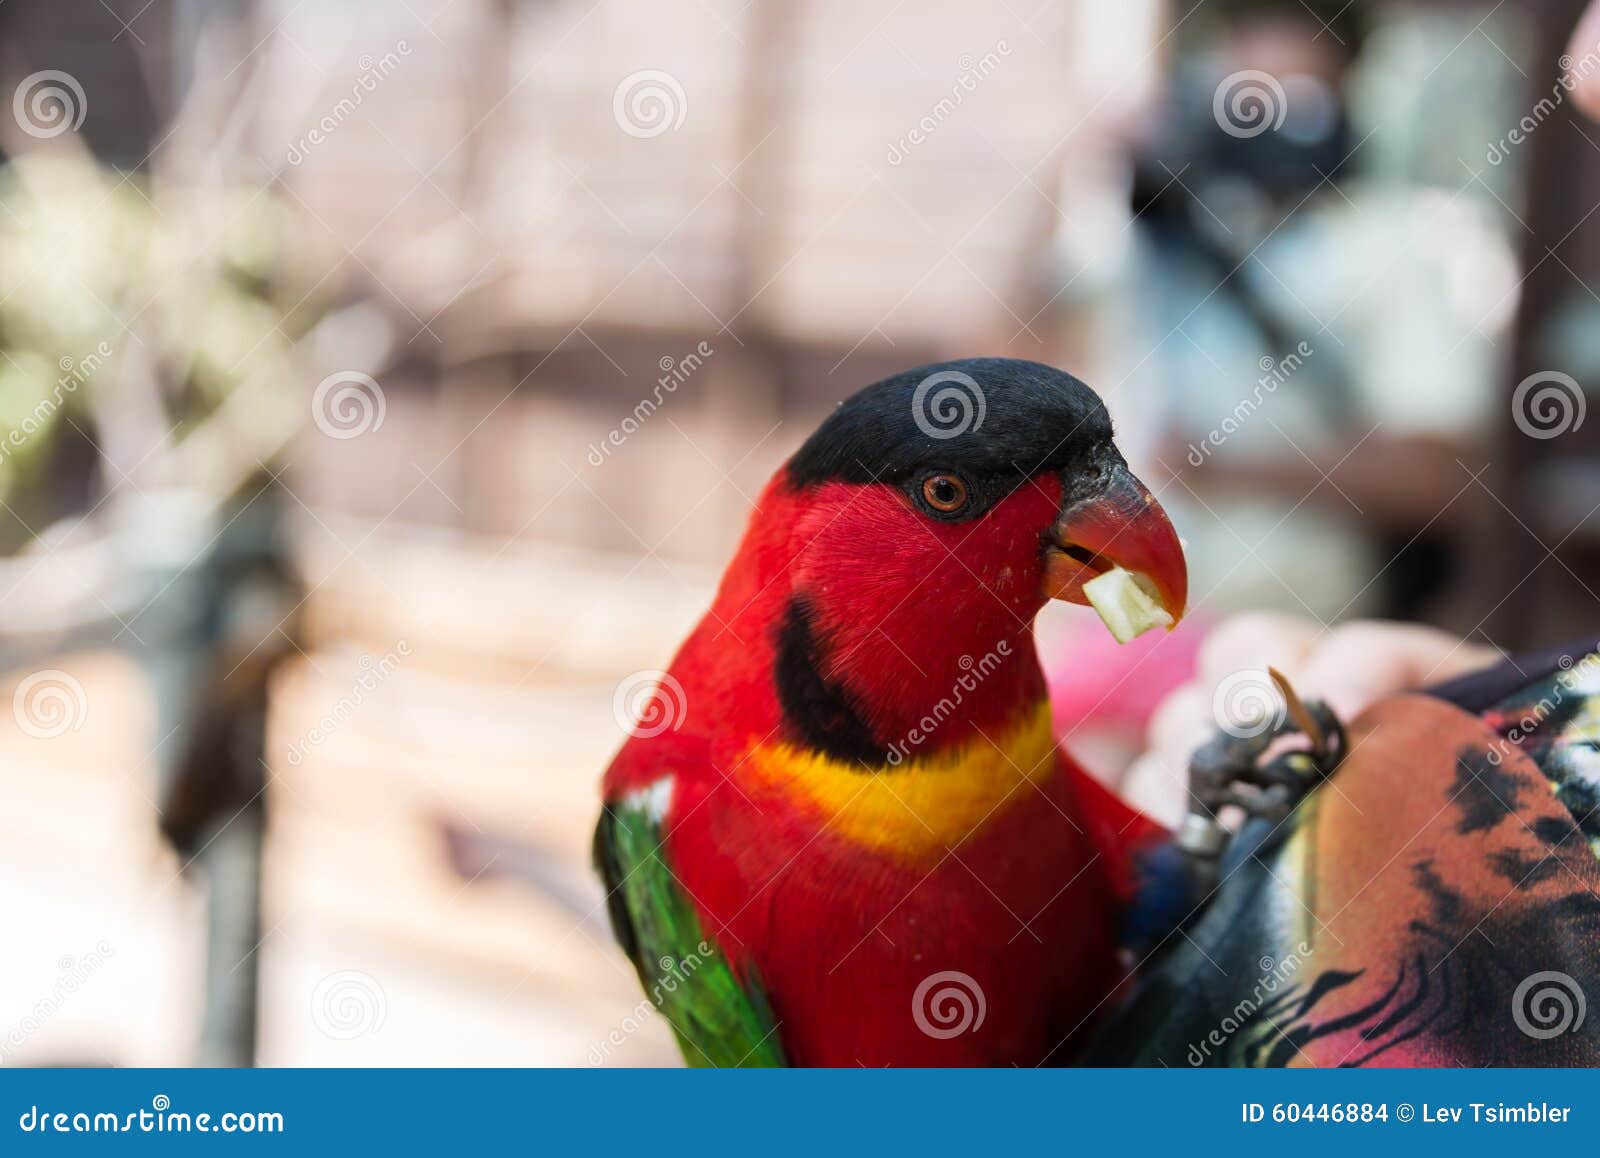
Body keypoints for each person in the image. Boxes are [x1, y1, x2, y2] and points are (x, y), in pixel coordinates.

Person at [1122, 0, 1600, 826]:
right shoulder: (1161, 237)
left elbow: (1444, 475)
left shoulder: (1392, 244)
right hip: (1131, 637)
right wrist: (1108, 168)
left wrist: (1225, 464)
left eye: (1294, 99)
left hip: (1296, 624)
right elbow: (1011, 342)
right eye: (1243, 95)